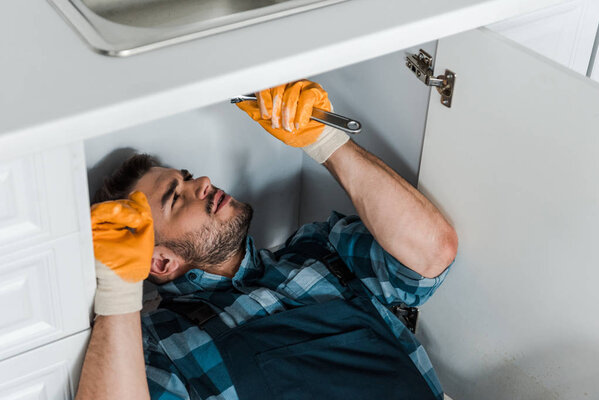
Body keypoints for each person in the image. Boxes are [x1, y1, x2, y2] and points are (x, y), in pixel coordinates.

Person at [75, 80, 458, 400]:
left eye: (188, 176)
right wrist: (119, 291)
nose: (202, 183)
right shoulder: (161, 341)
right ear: (161, 262)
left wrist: (325, 142)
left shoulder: (320, 249)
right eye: (176, 198)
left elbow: (431, 254)